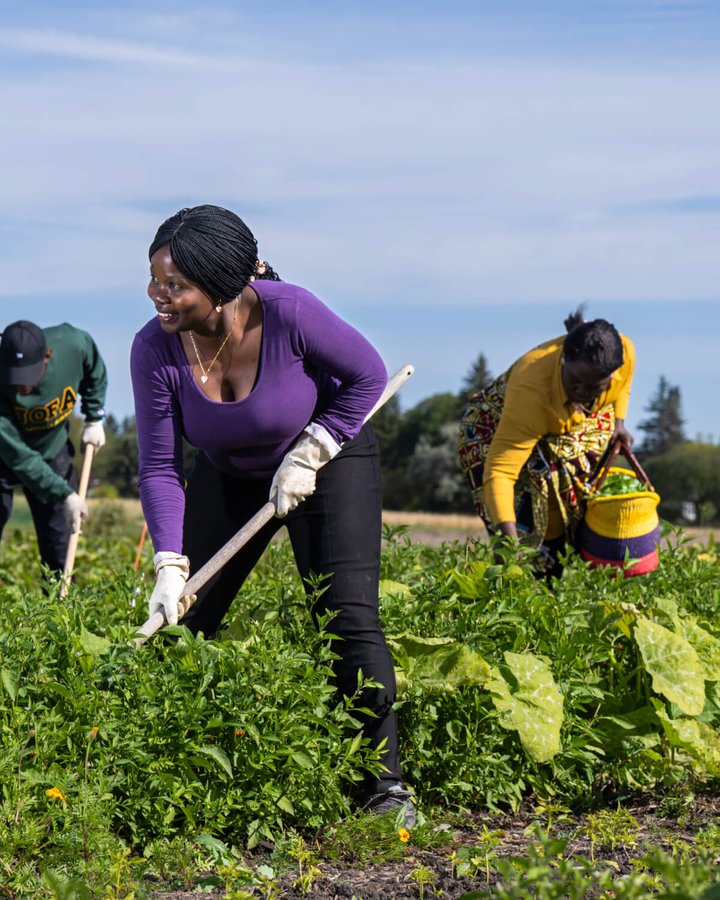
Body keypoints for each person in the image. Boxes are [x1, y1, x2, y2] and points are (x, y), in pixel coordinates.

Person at [130, 204, 413, 824]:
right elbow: (158, 466)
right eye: (154, 280)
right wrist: (170, 563)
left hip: (328, 458)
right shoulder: (154, 348)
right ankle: (158, 772)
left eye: (175, 285)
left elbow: (369, 374)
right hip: (230, 472)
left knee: (344, 615)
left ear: (223, 286)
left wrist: (314, 448)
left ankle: (383, 787)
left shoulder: (290, 311)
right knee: (182, 620)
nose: (159, 295)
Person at [457, 309, 635, 576]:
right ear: (563, 360)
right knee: (528, 510)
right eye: (575, 381)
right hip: (494, 427)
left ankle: (558, 563)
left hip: (570, 422)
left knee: (570, 504)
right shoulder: (531, 389)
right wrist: (508, 539)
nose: (583, 392)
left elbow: (624, 385)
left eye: (595, 387)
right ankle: (525, 574)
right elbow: (501, 472)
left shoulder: (623, 353)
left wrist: (619, 423)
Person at [0, 320, 107, 598]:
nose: (22, 386)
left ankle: (60, 616)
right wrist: (65, 493)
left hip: (51, 450)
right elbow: (15, 453)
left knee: (59, 542)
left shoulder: (74, 344)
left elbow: (94, 370)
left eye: (28, 374)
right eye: (14, 376)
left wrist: (94, 416)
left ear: (47, 356)